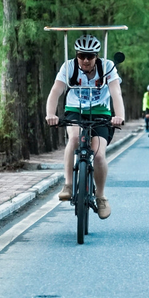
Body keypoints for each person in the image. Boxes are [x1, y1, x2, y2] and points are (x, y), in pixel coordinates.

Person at [45, 33, 125, 219]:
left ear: (97, 56)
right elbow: (55, 91)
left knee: (98, 155)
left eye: (90, 56)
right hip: (75, 109)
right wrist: (50, 114)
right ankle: (68, 184)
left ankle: (101, 196)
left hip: (100, 112)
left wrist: (119, 116)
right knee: (73, 138)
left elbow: (116, 93)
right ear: (76, 55)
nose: (86, 60)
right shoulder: (69, 67)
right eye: (82, 55)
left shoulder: (107, 67)